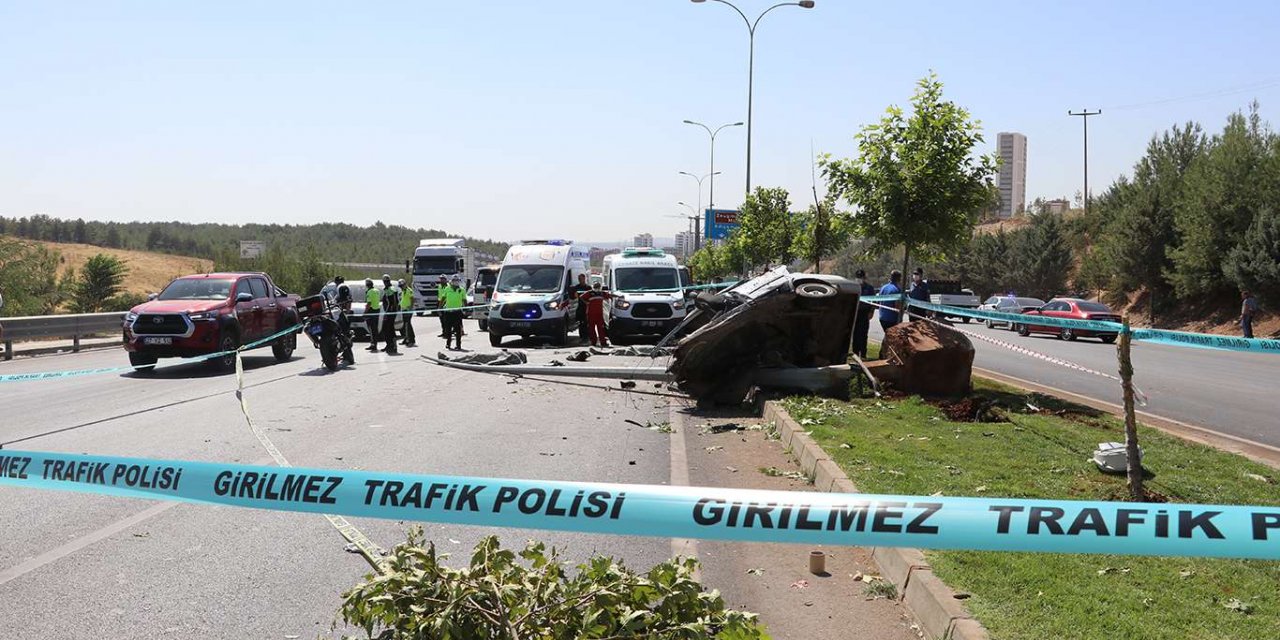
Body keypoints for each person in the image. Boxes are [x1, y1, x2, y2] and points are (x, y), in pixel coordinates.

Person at [579, 282, 614, 347]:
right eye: (596, 287)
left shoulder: (601, 293)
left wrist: (618, 296)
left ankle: (602, 342)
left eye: (598, 287)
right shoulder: (589, 293)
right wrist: (586, 302)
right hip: (591, 313)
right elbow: (581, 297)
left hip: (599, 314)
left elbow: (609, 295)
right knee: (591, 328)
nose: (597, 288)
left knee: (600, 328)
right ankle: (594, 342)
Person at [851, 269, 876, 359]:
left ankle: (863, 353)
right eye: (858, 277)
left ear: (864, 278)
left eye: (861, 277)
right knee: (855, 334)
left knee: (863, 334)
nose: (859, 279)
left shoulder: (869, 288)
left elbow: (873, 301)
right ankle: (855, 353)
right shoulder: (853, 287)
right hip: (855, 313)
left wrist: (871, 312)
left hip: (865, 313)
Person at [440, 276, 468, 350]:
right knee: (448, 329)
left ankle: (458, 345)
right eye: (454, 280)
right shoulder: (447, 289)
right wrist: (439, 308)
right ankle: (448, 344)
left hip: (457, 312)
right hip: (448, 312)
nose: (456, 282)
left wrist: (466, 309)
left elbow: (464, 300)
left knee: (458, 330)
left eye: (457, 280)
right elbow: (443, 299)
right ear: (451, 281)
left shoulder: (462, 290)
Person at [379, 275, 400, 354]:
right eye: (384, 281)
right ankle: (389, 344)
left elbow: (391, 303)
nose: (385, 283)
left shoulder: (391, 289)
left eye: (386, 281)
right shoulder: (388, 289)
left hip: (390, 312)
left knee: (389, 329)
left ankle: (393, 346)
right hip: (389, 312)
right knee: (386, 329)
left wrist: (387, 313)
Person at [568, 273, 592, 341]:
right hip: (579, 307)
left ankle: (587, 337)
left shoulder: (588, 287)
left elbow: (591, 296)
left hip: (586, 307)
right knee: (580, 323)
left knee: (587, 323)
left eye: (581, 279)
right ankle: (582, 337)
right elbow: (573, 296)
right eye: (579, 279)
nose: (580, 280)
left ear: (584, 279)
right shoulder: (576, 287)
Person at [363, 278, 381, 352]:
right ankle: (374, 344)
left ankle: (373, 345)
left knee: (371, 329)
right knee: (374, 329)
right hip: (377, 310)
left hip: (371, 311)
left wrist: (365, 313)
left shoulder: (369, 292)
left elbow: (369, 303)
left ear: (367, 285)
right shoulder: (377, 291)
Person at [399, 278, 416, 347]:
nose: (401, 287)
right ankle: (406, 338)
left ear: (405, 284)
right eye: (400, 286)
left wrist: (410, 308)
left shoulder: (409, 290)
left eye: (402, 285)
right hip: (404, 310)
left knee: (407, 325)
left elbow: (412, 300)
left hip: (408, 310)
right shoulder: (403, 291)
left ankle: (411, 340)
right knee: (405, 325)